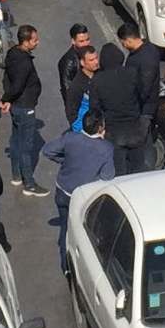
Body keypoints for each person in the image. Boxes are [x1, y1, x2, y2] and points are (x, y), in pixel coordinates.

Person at [47, 110, 115, 269]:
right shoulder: (105, 148)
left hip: (63, 191)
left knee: (65, 228)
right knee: (86, 233)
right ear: (100, 128)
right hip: (83, 197)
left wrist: (64, 160)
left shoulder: (71, 138)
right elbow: (108, 175)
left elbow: (48, 150)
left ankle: (65, 267)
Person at [98, 22, 159, 175]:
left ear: (129, 40)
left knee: (142, 144)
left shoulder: (141, 59)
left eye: (123, 42)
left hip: (144, 109)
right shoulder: (150, 48)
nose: (124, 45)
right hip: (145, 105)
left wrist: (130, 101)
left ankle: (144, 173)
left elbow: (144, 87)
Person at [0, 23, 49, 196]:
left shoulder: (12, 53)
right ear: (26, 42)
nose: (37, 42)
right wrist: (6, 98)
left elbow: (7, 78)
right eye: (34, 40)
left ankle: (16, 175)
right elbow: (18, 85)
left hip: (15, 106)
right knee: (26, 147)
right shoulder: (24, 63)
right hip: (24, 107)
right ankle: (29, 184)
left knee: (15, 140)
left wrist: (7, 99)